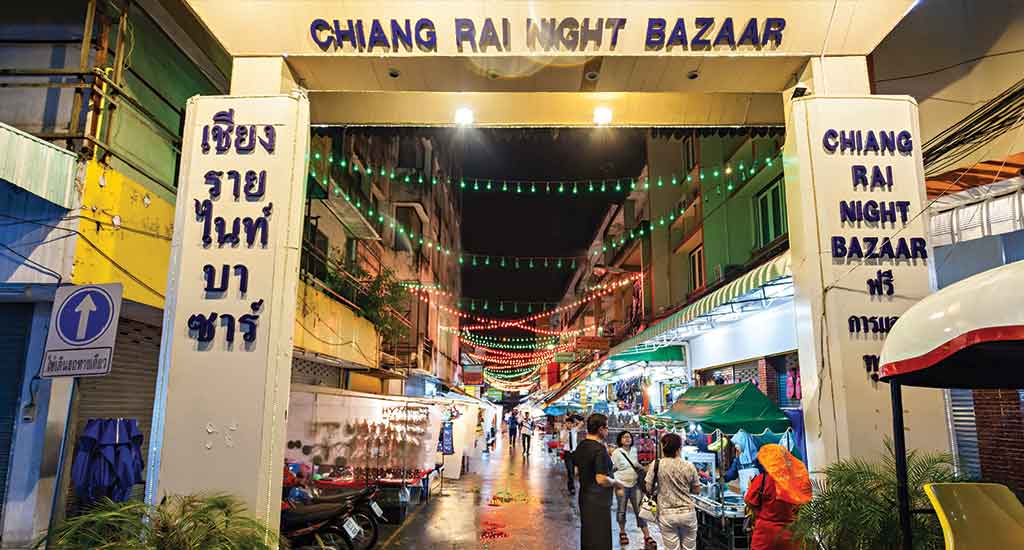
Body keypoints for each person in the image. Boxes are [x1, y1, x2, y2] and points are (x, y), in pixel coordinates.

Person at [744, 444, 812, 550]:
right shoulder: (795, 481)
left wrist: (760, 512)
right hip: (790, 536)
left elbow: (749, 501)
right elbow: (802, 505)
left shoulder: (761, 480)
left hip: (765, 537)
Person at [576, 413, 626, 550]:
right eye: (607, 427)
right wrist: (616, 483)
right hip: (598, 501)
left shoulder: (581, 446)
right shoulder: (599, 449)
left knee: (588, 535)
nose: (608, 430)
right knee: (600, 538)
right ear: (600, 429)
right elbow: (601, 479)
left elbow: (576, 471)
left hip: (584, 497)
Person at [645, 433, 701, 550]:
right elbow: (697, 490)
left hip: (667, 514)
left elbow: (648, 488)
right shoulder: (689, 466)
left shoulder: (656, 464)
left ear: (662, 448)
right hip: (687, 513)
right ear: (679, 448)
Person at [611, 431, 655, 549]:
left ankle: (647, 535)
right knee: (621, 510)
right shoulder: (616, 453)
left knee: (640, 510)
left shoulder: (636, 451)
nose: (627, 439)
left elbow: (639, 465)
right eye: (624, 437)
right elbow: (612, 469)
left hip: (635, 484)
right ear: (620, 440)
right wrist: (616, 485)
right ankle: (622, 532)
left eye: (629, 437)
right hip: (621, 485)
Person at [561, 417, 581, 495]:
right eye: (567, 423)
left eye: (570, 423)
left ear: (572, 424)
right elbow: (563, 441)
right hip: (567, 453)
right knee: (569, 470)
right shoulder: (563, 432)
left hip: (575, 453)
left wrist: (575, 420)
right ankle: (571, 488)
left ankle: (571, 486)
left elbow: (581, 423)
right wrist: (566, 431)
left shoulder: (574, 430)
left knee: (574, 471)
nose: (568, 424)